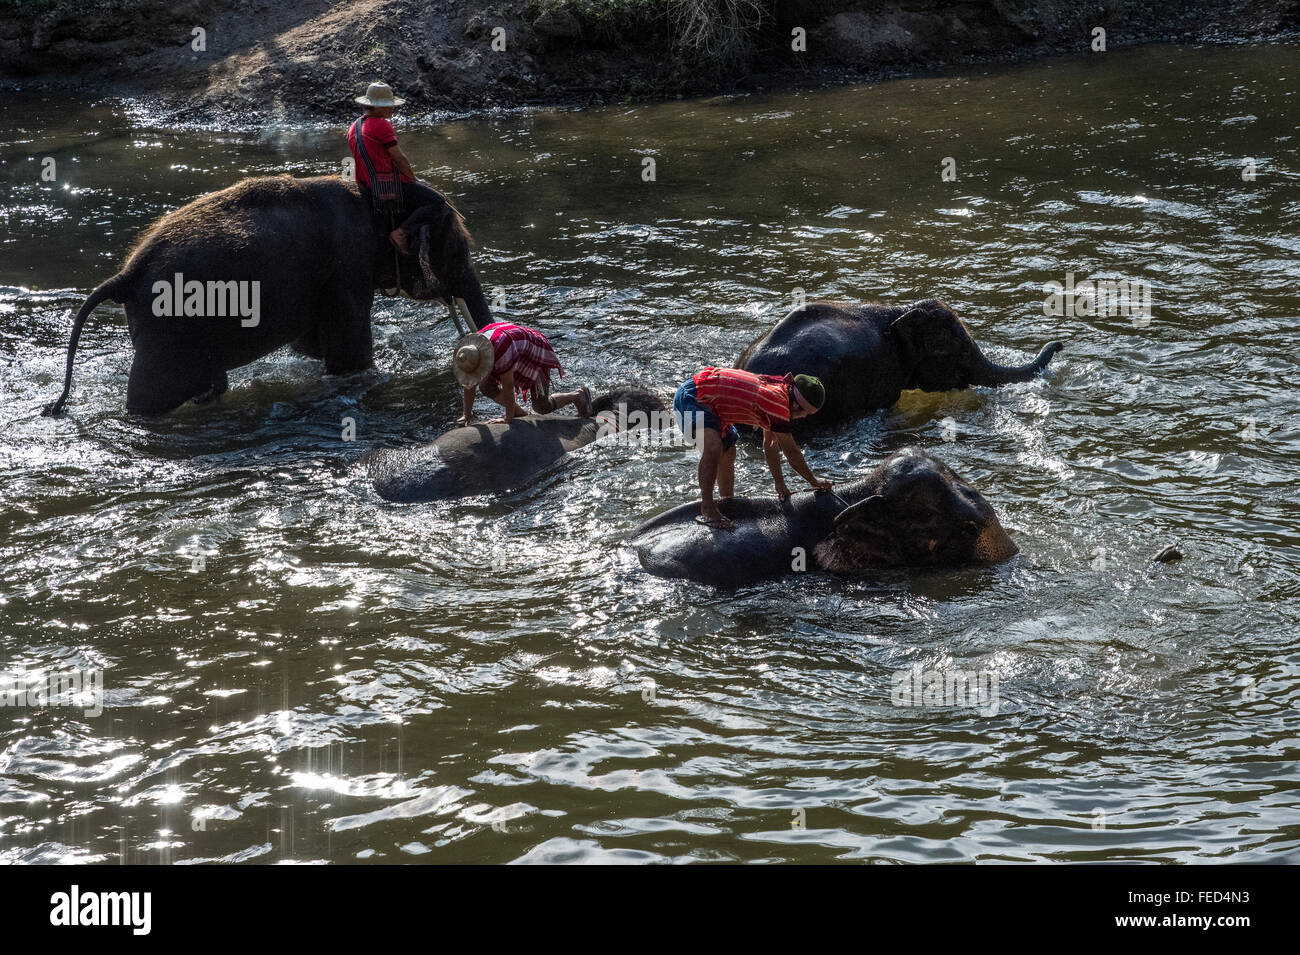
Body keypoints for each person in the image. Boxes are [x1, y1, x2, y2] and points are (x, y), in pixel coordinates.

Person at [673, 366, 831, 529]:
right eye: (805, 413)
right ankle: (707, 508)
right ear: (797, 405)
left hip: (715, 407)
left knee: (728, 452)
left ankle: (727, 503)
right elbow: (791, 451)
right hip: (694, 397)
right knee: (714, 447)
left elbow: (770, 444)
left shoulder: (778, 394)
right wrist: (814, 481)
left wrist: (780, 483)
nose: (803, 418)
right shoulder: (778, 404)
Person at [346, 81, 444, 252]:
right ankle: (401, 232)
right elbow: (399, 158)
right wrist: (414, 180)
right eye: (389, 106)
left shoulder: (353, 126)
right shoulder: (381, 125)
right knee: (437, 202)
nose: (392, 109)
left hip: (366, 183)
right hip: (388, 185)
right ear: (376, 107)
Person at [453, 322, 593, 426]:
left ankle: (578, 395)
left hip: (534, 350)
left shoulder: (500, 352)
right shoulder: (469, 351)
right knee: (487, 387)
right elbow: (469, 384)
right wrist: (466, 415)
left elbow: (508, 386)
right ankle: (521, 413)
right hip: (515, 346)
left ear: (486, 361)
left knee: (541, 406)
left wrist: (507, 418)